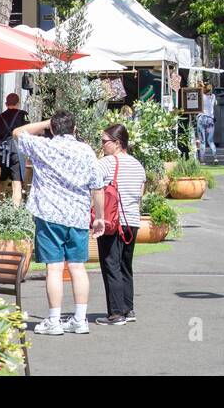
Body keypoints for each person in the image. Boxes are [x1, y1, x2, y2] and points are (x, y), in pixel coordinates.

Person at [12, 111, 105, 336]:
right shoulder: (86, 151)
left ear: (52, 129)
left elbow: (17, 133)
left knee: (53, 267)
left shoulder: (43, 146)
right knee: (77, 266)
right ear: (74, 129)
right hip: (78, 215)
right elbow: (97, 186)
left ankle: (54, 319)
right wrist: (99, 216)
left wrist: (46, 123)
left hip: (49, 214)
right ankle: (80, 319)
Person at [94, 123, 145, 325]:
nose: (102, 145)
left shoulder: (106, 163)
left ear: (117, 143)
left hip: (112, 221)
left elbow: (96, 190)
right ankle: (127, 308)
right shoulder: (137, 165)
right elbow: (140, 194)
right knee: (125, 265)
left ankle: (115, 313)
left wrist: (98, 216)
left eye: (104, 141)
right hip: (132, 220)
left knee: (110, 264)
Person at [0, 93, 29, 206]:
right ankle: (15, 212)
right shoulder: (23, 115)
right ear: (18, 103)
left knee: (1, 182)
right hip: (16, 151)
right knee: (16, 183)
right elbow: (28, 134)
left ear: (6, 104)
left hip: (2, 152)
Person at [196, 83, 217, 165]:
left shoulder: (202, 96)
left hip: (201, 118)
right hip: (210, 119)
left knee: (202, 141)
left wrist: (201, 84)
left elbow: (199, 90)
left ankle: (202, 160)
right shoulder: (213, 96)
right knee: (211, 140)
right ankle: (215, 158)